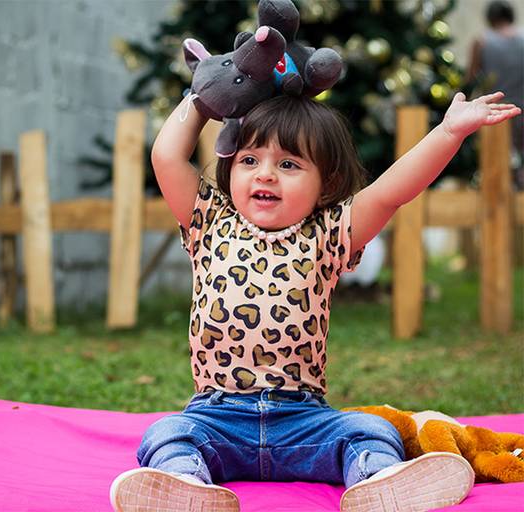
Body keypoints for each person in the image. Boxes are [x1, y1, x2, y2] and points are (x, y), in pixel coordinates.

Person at [109, 89, 521, 512]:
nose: (265, 175)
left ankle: (380, 482)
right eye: (249, 160)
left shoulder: (328, 234)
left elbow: (390, 192)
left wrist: (449, 132)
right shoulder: (210, 222)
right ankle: (183, 484)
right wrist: (202, 97)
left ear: (328, 184)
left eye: (288, 164)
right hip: (216, 418)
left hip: (303, 422)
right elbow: (166, 158)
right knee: (167, 434)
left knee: (369, 430)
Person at [467, 0, 524, 188]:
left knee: (499, 160)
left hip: (498, 111)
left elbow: (471, 78)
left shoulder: (482, 41)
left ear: (490, 19)